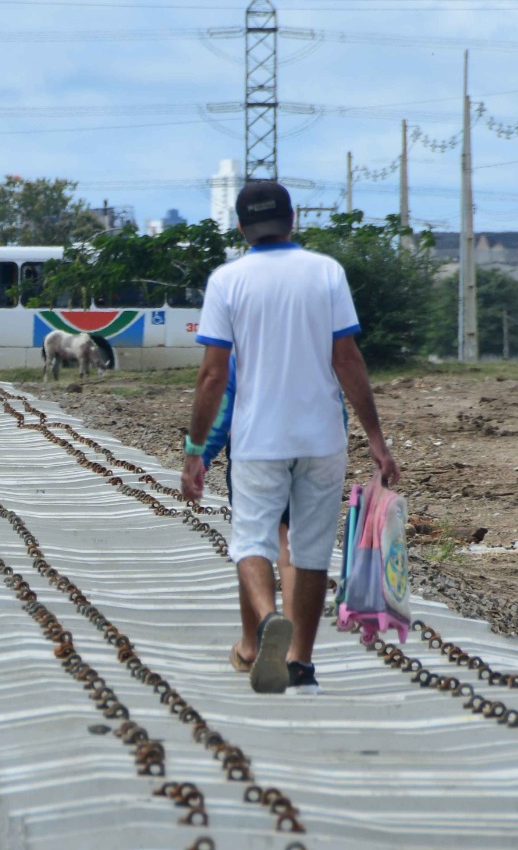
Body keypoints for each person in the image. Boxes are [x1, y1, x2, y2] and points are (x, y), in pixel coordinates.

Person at [180, 181, 398, 695]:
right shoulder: (327, 273)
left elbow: (213, 375)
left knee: (251, 541)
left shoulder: (227, 280)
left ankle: (266, 619)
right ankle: (301, 663)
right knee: (312, 551)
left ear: (241, 228)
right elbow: (347, 359)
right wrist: (376, 438)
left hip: (259, 440)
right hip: (322, 438)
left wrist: (195, 449)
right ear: (293, 219)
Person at [195, 354, 295, 675]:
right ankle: (295, 651)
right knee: (288, 542)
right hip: (304, 450)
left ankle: (253, 642)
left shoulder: (244, 343)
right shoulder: (311, 338)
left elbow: (222, 404)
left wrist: (201, 456)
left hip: (252, 452)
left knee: (252, 542)